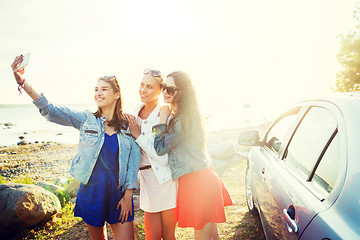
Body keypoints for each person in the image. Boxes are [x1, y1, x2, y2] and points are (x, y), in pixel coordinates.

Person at [11, 55, 141, 240]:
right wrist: (23, 83)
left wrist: (128, 196)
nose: (98, 93)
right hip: (91, 192)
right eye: (96, 89)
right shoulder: (86, 119)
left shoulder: (129, 126)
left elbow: (132, 164)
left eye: (104, 89)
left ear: (117, 94)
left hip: (118, 195)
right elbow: (50, 111)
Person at [152, 71, 233, 240]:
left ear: (183, 92)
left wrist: (162, 120)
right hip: (202, 179)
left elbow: (160, 148)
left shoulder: (183, 121)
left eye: (171, 89)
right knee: (211, 235)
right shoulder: (185, 117)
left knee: (202, 236)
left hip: (198, 183)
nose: (165, 92)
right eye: (164, 87)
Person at [125, 68, 177, 240]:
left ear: (160, 90)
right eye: (141, 85)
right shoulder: (135, 111)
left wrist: (137, 135)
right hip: (146, 180)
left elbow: (162, 157)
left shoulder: (164, 115)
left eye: (149, 87)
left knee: (168, 236)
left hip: (165, 180)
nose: (143, 90)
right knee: (151, 237)